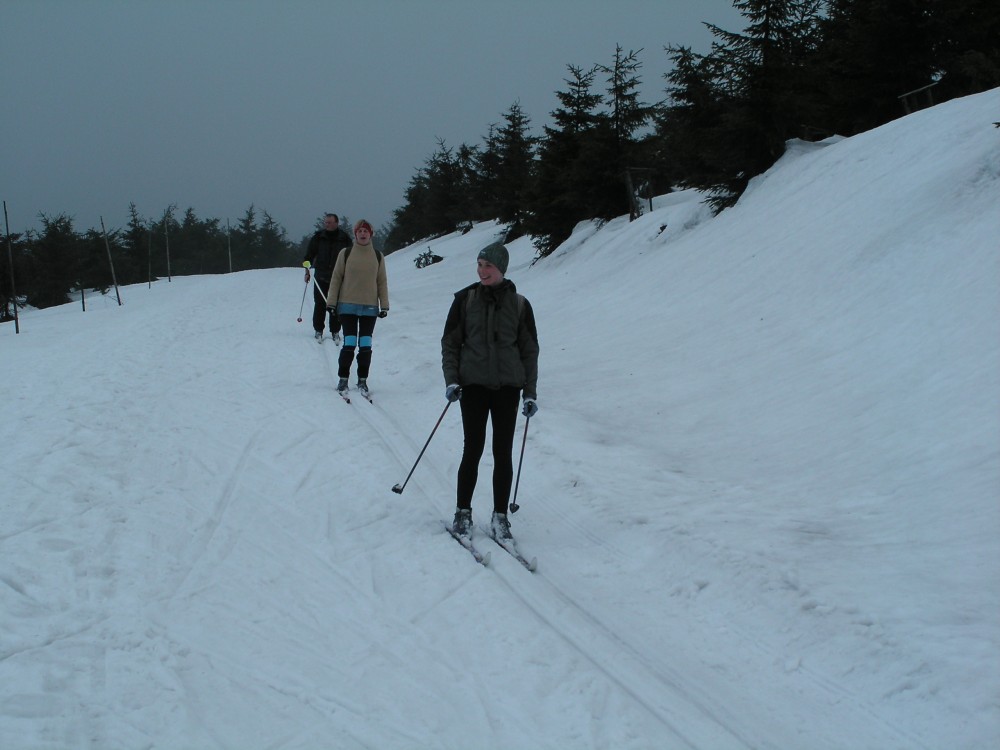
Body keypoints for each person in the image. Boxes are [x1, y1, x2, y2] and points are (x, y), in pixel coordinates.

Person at [441, 242, 539, 542]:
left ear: (501, 269)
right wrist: (452, 380)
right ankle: (463, 512)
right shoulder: (465, 300)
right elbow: (450, 343)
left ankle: (500, 517)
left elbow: (529, 351)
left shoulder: (520, 305)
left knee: (502, 452)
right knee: (472, 448)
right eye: (480, 264)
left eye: (489, 266)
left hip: (508, 387)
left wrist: (530, 392)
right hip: (472, 385)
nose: (482, 271)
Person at [326, 219, 390, 398]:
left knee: (365, 345)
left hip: (370, 308)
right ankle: (343, 378)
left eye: (366, 231)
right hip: (347, 307)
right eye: (360, 231)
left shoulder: (378, 256)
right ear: (355, 234)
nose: (363, 234)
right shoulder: (346, 253)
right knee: (350, 343)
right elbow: (336, 278)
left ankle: (363, 379)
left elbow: (382, 281)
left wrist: (384, 305)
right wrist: (331, 303)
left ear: (371, 234)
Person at [303, 213, 351, 343]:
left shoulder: (344, 238)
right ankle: (318, 329)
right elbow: (309, 256)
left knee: (336, 304)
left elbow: (350, 257)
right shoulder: (318, 237)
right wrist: (307, 271)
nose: (327, 225)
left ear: (336, 223)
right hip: (321, 276)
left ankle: (335, 331)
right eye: (326, 222)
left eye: (330, 222)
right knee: (320, 304)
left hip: (338, 277)